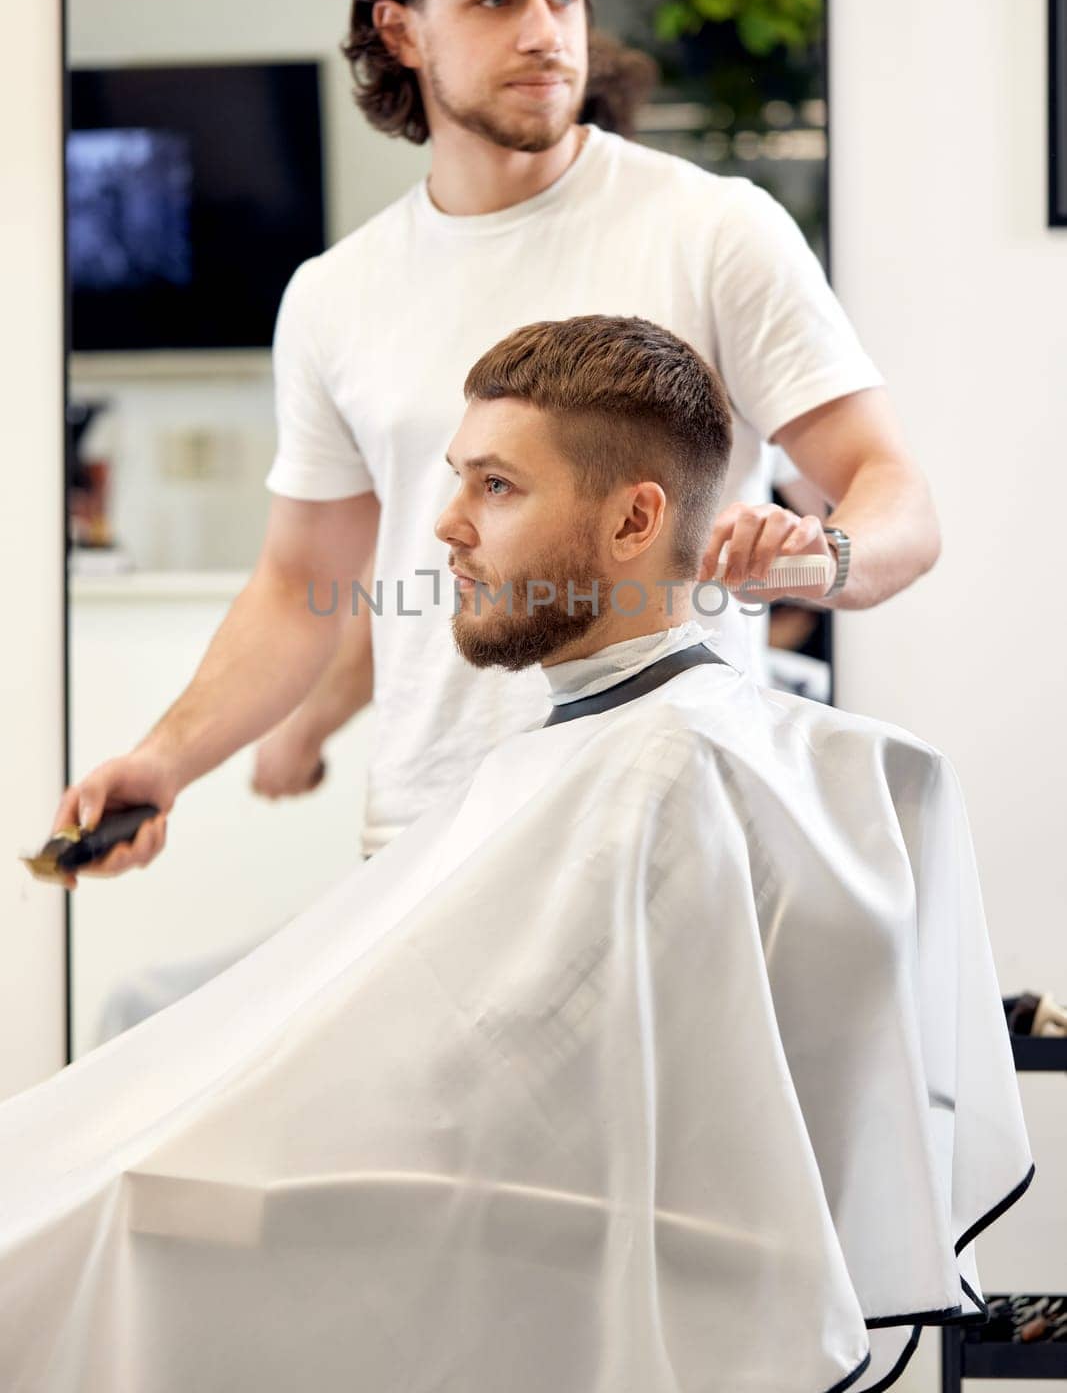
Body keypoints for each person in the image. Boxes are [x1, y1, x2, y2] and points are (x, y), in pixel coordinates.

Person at [4, 316, 1027, 1393]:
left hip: (475, 1248)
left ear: (635, 517)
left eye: (492, 486)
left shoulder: (660, 769)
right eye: (455, 480)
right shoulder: (611, 750)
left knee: (88, 1201)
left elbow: (499, 1109)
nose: (444, 525)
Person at [52, 0, 940, 880]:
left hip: (663, 828)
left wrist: (822, 556)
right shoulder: (336, 294)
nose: (544, 33)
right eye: (494, 0)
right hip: (424, 836)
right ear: (400, 31)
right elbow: (300, 586)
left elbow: (898, 502)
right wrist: (165, 757)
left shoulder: (712, 231)